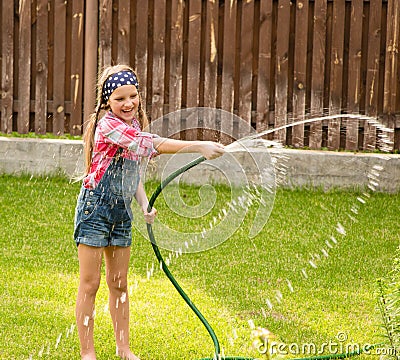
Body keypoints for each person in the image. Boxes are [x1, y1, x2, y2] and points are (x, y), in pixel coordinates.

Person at [73, 64, 225, 360]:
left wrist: (143, 203)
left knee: (119, 283)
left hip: (121, 213)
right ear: (107, 102)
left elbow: (133, 171)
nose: (128, 103)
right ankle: (87, 353)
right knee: (90, 284)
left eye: (133, 96)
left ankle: (123, 348)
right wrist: (199, 146)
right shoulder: (108, 126)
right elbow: (150, 145)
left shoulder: (131, 127)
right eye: (120, 99)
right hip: (94, 209)